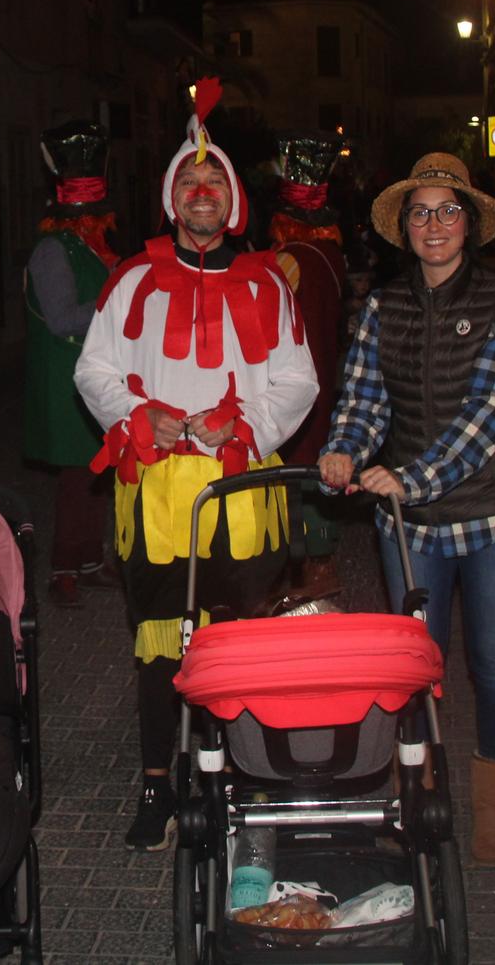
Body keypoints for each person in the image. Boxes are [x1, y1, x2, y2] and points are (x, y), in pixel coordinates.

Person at [73, 80, 318, 852]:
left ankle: (237, 777)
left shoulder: (268, 284)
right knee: (160, 640)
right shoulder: (130, 279)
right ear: (172, 197)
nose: (202, 191)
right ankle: (159, 783)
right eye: (189, 180)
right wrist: (136, 415)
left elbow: (299, 379)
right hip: (156, 490)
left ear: (233, 199)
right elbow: (94, 370)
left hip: (242, 488)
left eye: (214, 182)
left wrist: (244, 423)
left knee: (238, 640)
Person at [317, 152, 495, 867]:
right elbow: (363, 399)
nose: (434, 224)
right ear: (404, 227)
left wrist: (411, 477)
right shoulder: (384, 306)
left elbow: (486, 418)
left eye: (449, 210)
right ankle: (420, 792)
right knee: (415, 664)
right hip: (410, 524)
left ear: (470, 225)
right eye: (421, 212)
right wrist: (344, 450)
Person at [23, 119, 123, 606]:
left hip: (93, 376)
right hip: (65, 379)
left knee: (96, 474)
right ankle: (63, 569)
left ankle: (88, 560)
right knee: (76, 478)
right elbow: (63, 317)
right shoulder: (51, 251)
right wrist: (117, 299)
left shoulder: (91, 248)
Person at [268, 132, 351, 592]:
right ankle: (316, 561)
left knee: (299, 466)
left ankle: (314, 566)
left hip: (296, 379)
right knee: (314, 459)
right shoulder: (332, 255)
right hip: (323, 372)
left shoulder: (288, 261)